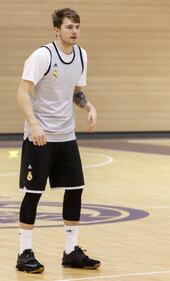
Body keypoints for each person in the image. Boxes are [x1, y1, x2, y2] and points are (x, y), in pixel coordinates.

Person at [16, 8, 100, 273]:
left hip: (66, 135)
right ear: (57, 30)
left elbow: (76, 91)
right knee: (34, 193)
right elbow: (22, 93)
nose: (74, 32)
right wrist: (34, 125)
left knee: (75, 188)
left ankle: (71, 251)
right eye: (68, 27)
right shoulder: (43, 55)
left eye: (77, 27)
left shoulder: (82, 56)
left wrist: (89, 107)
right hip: (40, 137)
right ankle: (24, 253)